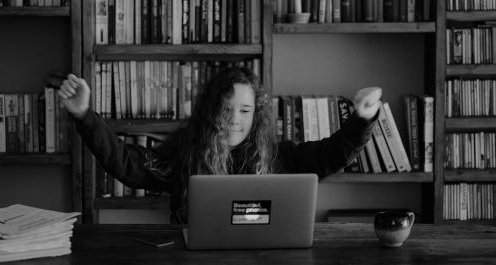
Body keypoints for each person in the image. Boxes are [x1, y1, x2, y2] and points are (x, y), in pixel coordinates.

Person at [59, 67, 381, 224]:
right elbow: (126, 163)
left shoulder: (277, 156)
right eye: (226, 109)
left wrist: (362, 119)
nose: (235, 120)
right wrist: (85, 115)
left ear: (256, 115)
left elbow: (330, 155)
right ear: (210, 110)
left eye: (245, 111)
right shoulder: (184, 153)